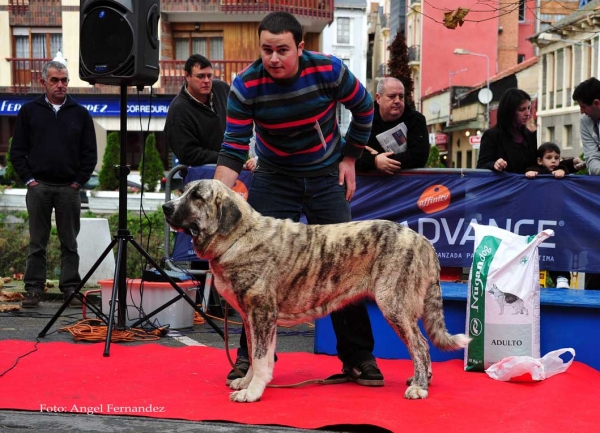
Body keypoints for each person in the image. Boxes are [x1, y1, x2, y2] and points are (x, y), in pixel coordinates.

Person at [214, 12, 382, 387]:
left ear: (301, 47)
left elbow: (365, 107)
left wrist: (351, 156)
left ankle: (358, 358)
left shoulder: (329, 71)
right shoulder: (245, 86)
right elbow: (233, 148)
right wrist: (215, 200)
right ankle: (252, 358)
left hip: (325, 175)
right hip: (274, 177)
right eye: (267, 50)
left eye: (282, 50)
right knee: (254, 269)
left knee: (346, 264)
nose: (273, 58)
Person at [10, 60, 97, 308]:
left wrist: (77, 182)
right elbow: (18, 151)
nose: (60, 85)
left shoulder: (80, 114)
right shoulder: (29, 112)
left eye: (64, 80)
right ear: (43, 82)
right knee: (37, 243)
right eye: (55, 80)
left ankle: (69, 287)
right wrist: (30, 180)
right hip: (39, 188)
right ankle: (34, 289)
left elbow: (90, 154)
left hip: (69, 189)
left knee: (70, 242)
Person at [164, 54, 230, 166]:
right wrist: (225, 157)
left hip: (233, 170)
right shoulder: (178, 110)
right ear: (187, 76)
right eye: (200, 76)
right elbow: (188, 154)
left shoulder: (222, 89)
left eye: (210, 76)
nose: (207, 81)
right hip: (199, 176)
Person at [356, 77, 429, 174]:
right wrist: (375, 161)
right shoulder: (364, 119)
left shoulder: (416, 120)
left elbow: (419, 157)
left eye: (401, 96)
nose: (397, 100)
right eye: (392, 96)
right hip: (371, 187)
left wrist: (380, 158)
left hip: (406, 185)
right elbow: (351, 154)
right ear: (378, 98)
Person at [525, 141, 572, 289]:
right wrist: (531, 174)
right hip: (535, 217)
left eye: (556, 158)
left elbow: (565, 169)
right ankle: (528, 279)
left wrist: (562, 171)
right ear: (540, 160)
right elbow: (528, 172)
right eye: (549, 157)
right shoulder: (535, 170)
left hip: (554, 218)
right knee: (532, 248)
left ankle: (562, 277)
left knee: (557, 247)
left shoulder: (561, 170)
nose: (553, 161)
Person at [572, 77, 600, 290]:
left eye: (583, 107)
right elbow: (591, 160)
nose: (581, 111)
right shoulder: (585, 122)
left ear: (596, 103)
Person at [476, 88, 537, 173]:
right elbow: (481, 167)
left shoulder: (530, 136)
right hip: (503, 185)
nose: (528, 113)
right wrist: (494, 165)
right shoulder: (492, 135)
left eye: (528, 108)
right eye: (522, 109)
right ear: (510, 111)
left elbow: (536, 165)